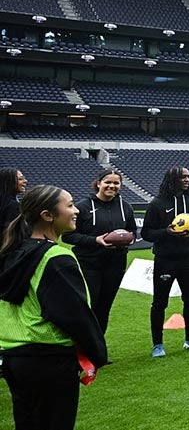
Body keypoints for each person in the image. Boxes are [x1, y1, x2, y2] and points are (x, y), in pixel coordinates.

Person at [0, 184, 108, 430]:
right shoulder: (55, 257)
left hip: (15, 358)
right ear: (47, 215)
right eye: (69, 205)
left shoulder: (13, 251)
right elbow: (74, 315)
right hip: (49, 360)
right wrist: (97, 354)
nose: (76, 211)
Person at [140, 167, 189, 356]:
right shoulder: (157, 203)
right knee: (159, 303)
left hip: (188, 257)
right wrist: (167, 232)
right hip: (165, 259)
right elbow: (146, 232)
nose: (188, 180)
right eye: (183, 177)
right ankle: (158, 345)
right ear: (172, 179)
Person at [63, 169, 136, 333]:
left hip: (116, 263)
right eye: (107, 182)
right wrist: (95, 240)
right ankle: (82, 349)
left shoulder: (125, 207)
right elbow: (68, 236)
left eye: (116, 183)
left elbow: (132, 230)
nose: (112, 186)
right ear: (98, 183)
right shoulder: (83, 206)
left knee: (104, 307)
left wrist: (129, 239)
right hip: (89, 264)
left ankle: (98, 349)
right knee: (89, 305)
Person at [0, 168, 27, 232]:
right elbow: (10, 233)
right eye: (20, 179)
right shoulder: (13, 206)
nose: (25, 181)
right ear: (9, 182)